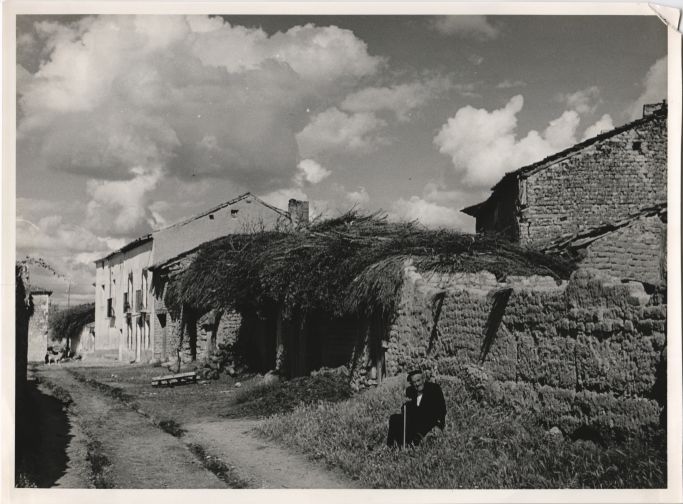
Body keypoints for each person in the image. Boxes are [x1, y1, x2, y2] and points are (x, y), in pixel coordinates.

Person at [386, 370, 447, 447]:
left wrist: (439, 425)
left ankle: (409, 444)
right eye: (414, 382)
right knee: (394, 418)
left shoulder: (434, 389)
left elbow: (442, 409)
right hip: (414, 421)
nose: (417, 384)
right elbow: (407, 409)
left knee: (416, 435)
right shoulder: (410, 391)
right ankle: (390, 446)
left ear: (423, 379)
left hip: (429, 422)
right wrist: (405, 405)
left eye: (418, 380)